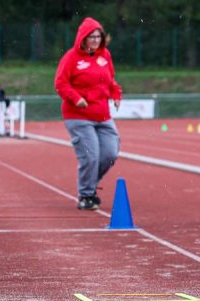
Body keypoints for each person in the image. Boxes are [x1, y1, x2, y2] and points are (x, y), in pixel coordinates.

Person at [55, 17, 122, 210]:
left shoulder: (105, 56)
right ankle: (86, 195)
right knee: (90, 156)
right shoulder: (71, 57)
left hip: (102, 114)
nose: (95, 40)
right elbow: (60, 83)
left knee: (109, 153)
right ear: (83, 38)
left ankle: (90, 183)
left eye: (98, 37)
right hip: (78, 116)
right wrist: (76, 98)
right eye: (91, 37)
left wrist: (116, 94)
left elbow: (111, 81)